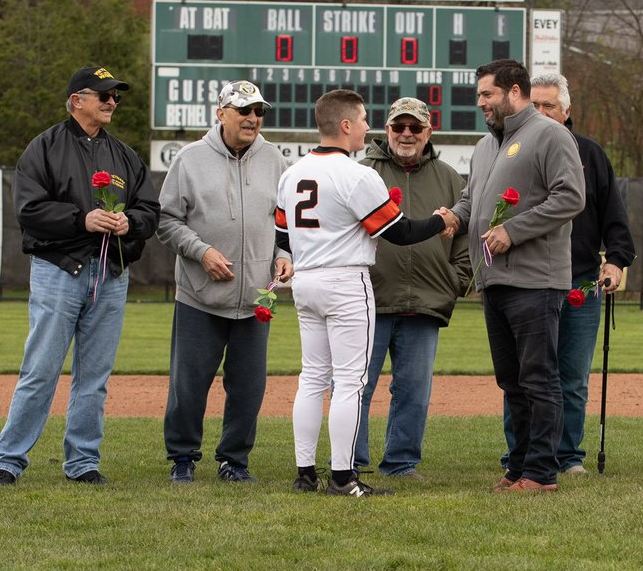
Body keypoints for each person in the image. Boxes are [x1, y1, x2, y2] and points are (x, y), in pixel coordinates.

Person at [0, 66, 160, 486]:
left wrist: (129, 223)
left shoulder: (124, 155)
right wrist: (81, 219)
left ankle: (83, 462)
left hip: (110, 274)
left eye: (116, 97)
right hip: (59, 271)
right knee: (41, 370)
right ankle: (7, 461)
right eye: (103, 95)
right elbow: (28, 210)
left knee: (94, 377)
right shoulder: (43, 147)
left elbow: (149, 210)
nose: (111, 102)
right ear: (76, 100)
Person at [276, 89, 452, 498]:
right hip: (345, 281)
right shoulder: (357, 174)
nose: (368, 127)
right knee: (351, 382)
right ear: (345, 125)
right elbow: (400, 232)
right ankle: (342, 477)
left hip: (305, 281)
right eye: (363, 120)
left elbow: (283, 234)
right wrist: (440, 219)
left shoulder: (292, 172)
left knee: (312, 379)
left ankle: (305, 474)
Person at [445, 59, 586, 493]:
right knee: (512, 380)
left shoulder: (550, 134)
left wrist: (514, 229)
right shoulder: (487, 145)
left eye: (487, 94)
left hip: (536, 281)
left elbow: (571, 197)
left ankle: (542, 473)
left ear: (514, 92)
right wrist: (451, 217)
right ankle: (520, 467)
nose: (481, 103)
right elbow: (472, 201)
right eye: (480, 96)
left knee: (539, 378)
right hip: (495, 280)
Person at [496, 72, 635, 475]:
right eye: (534, 105)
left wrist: (617, 260)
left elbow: (616, 221)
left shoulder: (590, 155)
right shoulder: (511, 150)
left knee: (571, 376)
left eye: (549, 106)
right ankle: (519, 456)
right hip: (529, 280)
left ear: (567, 111)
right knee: (523, 378)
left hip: (579, 281)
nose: (540, 113)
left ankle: (567, 455)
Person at [157, 80, 293, 485]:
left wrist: (284, 256)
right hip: (199, 295)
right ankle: (183, 458)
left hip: (255, 297)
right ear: (221, 114)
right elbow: (166, 220)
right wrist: (201, 252)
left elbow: (283, 222)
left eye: (258, 112)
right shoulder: (190, 159)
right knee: (189, 384)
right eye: (244, 111)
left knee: (248, 388)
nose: (253, 119)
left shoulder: (275, 160)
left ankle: (234, 460)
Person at [355, 97, 471, 478]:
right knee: (359, 386)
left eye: (415, 127)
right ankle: (352, 461)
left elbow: (467, 241)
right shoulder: (362, 172)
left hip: (426, 301)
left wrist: (455, 281)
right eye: (398, 127)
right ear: (386, 130)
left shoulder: (451, 178)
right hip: (369, 299)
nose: (406, 134)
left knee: (414, 392)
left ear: (428, 132)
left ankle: (401, 463)